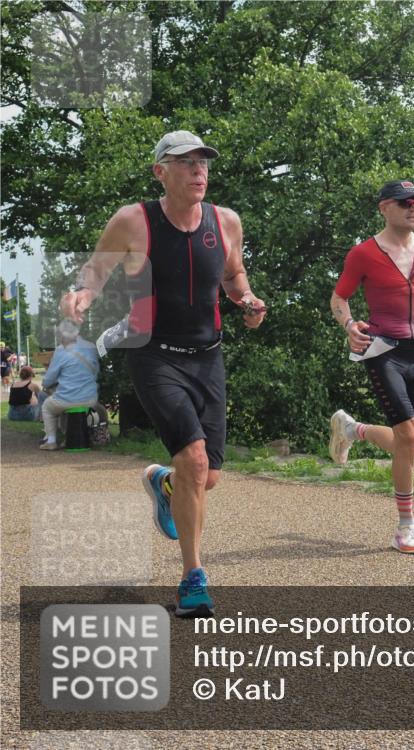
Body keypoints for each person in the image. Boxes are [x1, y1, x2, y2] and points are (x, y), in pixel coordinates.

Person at [61, 130, 265, 617]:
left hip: (207, 356)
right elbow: (96, 271)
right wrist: (81, 295)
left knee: (207, 477)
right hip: (152, 353)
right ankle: (193, 579)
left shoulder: (226, 221)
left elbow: (233, 275)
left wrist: (248, 299)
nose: (199, 170)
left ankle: (164, 483)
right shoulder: (133, 221)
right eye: (186, 162)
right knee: (194, 459)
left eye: (203, 162)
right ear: (160, 172)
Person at [328, 179, 414, 554]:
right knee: (406, 435)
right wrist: (349, 325)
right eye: (404, 202)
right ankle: (406, 528)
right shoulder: (363, 253)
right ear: (384, 207)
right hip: (382, 350)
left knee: (411, 442)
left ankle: (352, 429)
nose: (413, 207)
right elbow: (339, 298)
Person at [39, 321, 99, 447]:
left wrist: (47, 378)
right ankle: (68, 437)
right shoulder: (91, 346)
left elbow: (48, 380)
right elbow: (96, 372)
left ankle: (51, 441)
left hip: (68, 399)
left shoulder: (61, 350)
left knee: (47, 407)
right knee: (65, 404)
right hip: (91, 398)